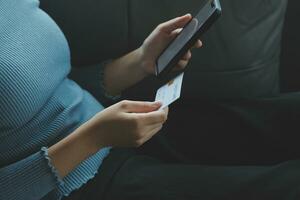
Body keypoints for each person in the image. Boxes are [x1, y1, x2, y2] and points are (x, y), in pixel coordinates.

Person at [1, 1, 300, 200]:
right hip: (75, 183)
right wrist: (91, 138)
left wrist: (141, 60)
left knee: (286, 118)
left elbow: (56, 80)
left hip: (112, 122)